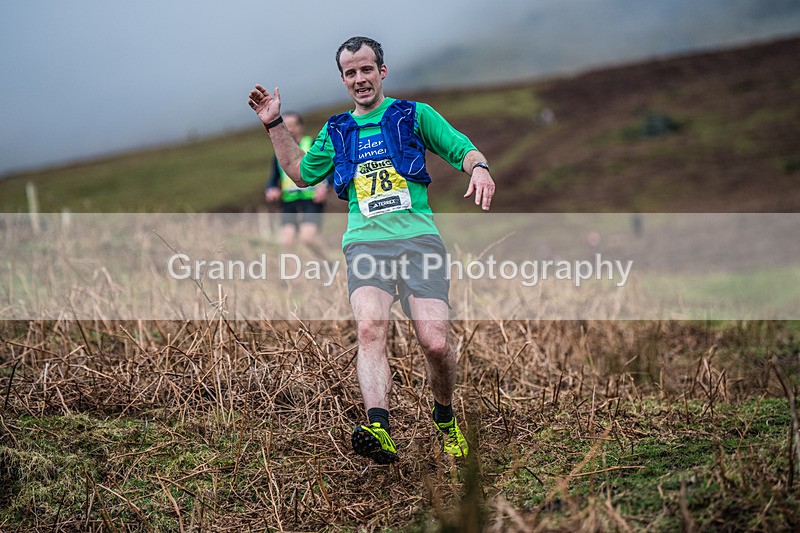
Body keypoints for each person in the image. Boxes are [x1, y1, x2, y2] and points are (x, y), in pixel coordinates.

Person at [248, 36, 496, 464]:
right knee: (369, 330)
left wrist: (481, 170)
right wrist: (274, 124)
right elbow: (300, 173)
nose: (359, 79)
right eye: (350, 73)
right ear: (343, 80)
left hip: (419, 241)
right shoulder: (336, 130)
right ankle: (378, 427)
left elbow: (462, 149)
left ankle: (445, 417)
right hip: (365, 244)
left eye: (366, 69)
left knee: (434, 343)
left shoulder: (413, 115)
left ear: (382, 71)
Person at [264, 112, 330, 256]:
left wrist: (325, 186)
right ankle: (292, 278)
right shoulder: (279, 153)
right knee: (286, 243)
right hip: (289, 202)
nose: (290, 129)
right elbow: (273, 179)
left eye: (293, 125)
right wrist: (271, 190)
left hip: (311, 199)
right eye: (286, 126)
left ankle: (330, 265)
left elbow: (330, 168)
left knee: (307, 239)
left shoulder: (313, 145)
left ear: (301, 126)